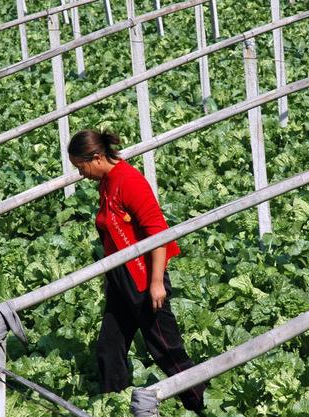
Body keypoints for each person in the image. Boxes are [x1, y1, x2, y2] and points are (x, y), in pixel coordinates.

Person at [68, 129, 206, 412]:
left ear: (95, 157)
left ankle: (203, 404)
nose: (81, 174)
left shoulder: (129, 180)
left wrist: (157, 282)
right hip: (121, 279)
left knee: (166, 351)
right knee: (109, 348)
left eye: (81, 167)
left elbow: (158, 233)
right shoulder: (106, 182)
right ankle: (113, 405)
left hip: (143, 277)